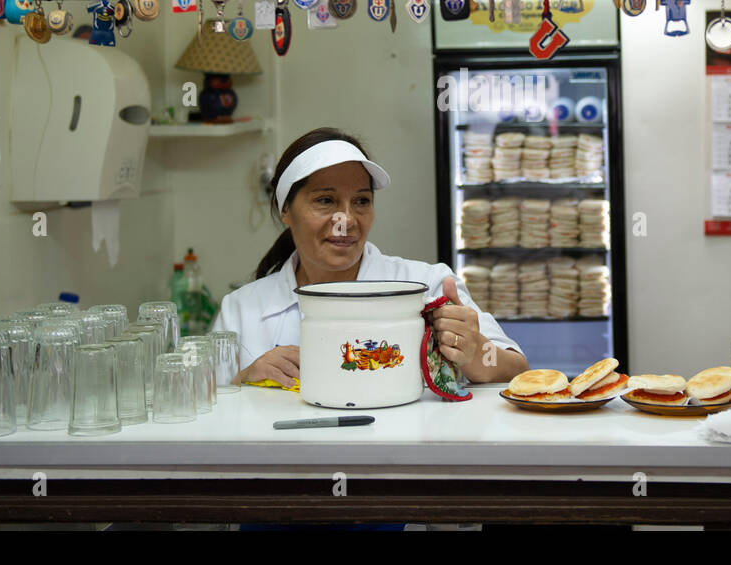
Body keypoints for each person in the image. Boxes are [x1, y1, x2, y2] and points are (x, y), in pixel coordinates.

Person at [212, 128, 529, 386]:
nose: (346, 220)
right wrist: (243, 382)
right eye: (325, 200)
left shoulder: (427, 286)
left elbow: (517, 369)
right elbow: (205, 414)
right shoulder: (242, 310)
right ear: (286, 211)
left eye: (361, 201)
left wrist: (474, 351)